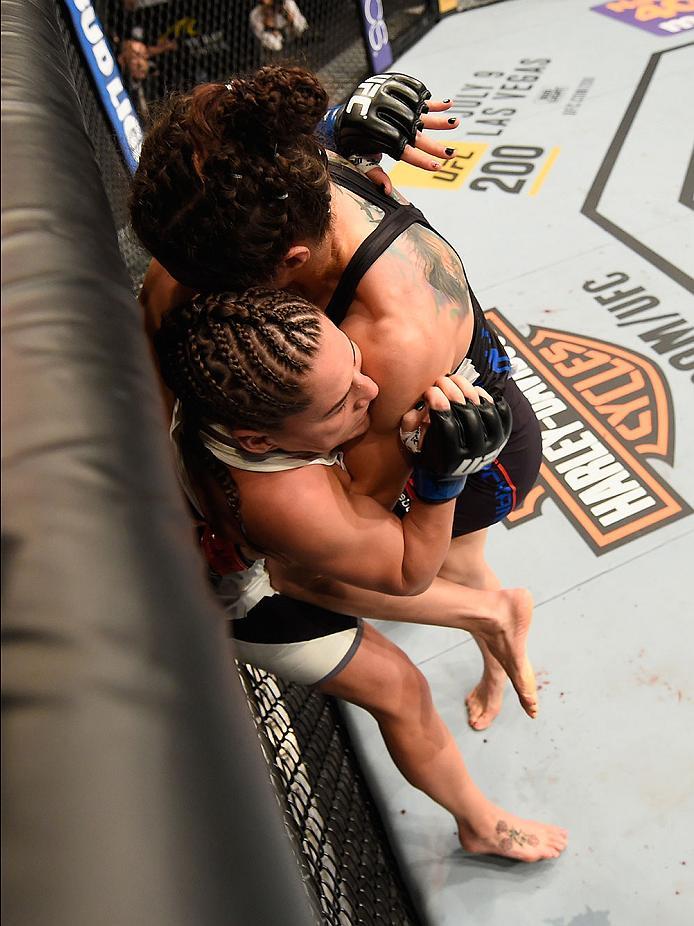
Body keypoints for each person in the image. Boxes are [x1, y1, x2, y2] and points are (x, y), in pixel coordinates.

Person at [130, 66, 544, 733]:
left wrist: (235, 512)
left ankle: (497, 633)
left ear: (291, 263)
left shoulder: (391, 341)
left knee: (329, 570)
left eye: (218, 287)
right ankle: (496, 619)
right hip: (423, 402)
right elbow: (162, 313)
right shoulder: (274, 172)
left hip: (468, 451)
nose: (190, 292)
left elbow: (366, 526)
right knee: (452, 569)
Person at [156, 286, 567, 862]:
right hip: (244, 596)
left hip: (245, 542)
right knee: (399, 689)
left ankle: (493, 613)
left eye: (353, 358)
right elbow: (407, 571)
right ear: (258, 441)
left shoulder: (232, 351)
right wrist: (442, 476)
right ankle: (479, 823)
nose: (370, 390)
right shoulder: (286, 501)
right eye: (337, 405)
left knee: (368, 559)